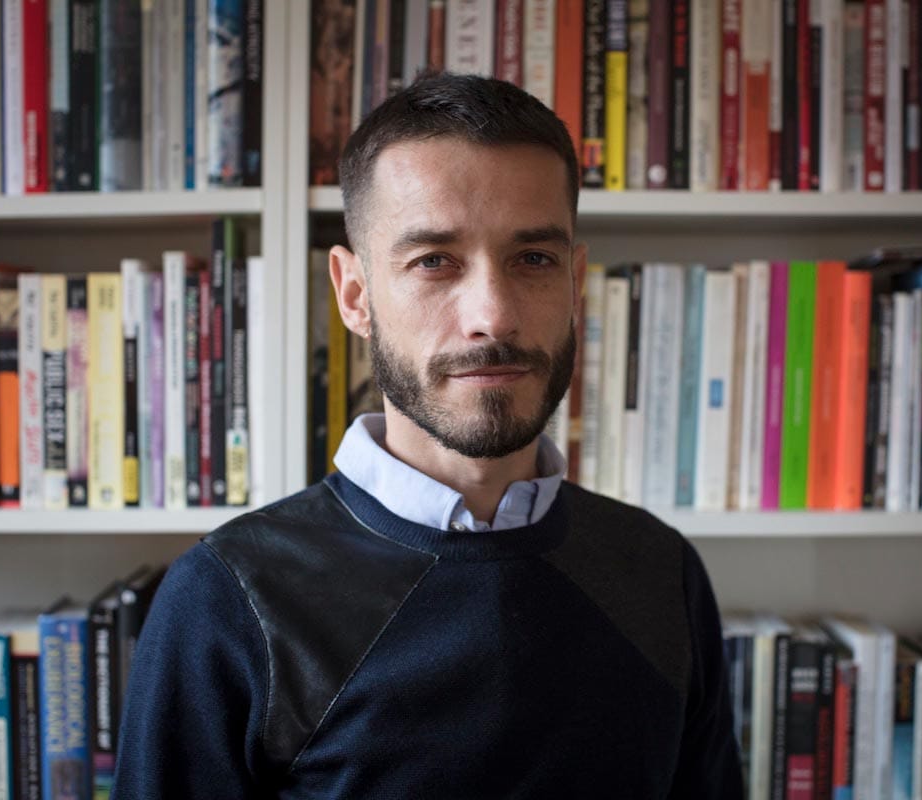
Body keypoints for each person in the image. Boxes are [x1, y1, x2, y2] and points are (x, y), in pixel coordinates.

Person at [112, 72, 743, 799]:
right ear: (355, 296)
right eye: (433, 261)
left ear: (575, 283)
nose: (493, 315)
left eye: (532, 259)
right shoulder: (227, 598)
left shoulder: (661, 573)